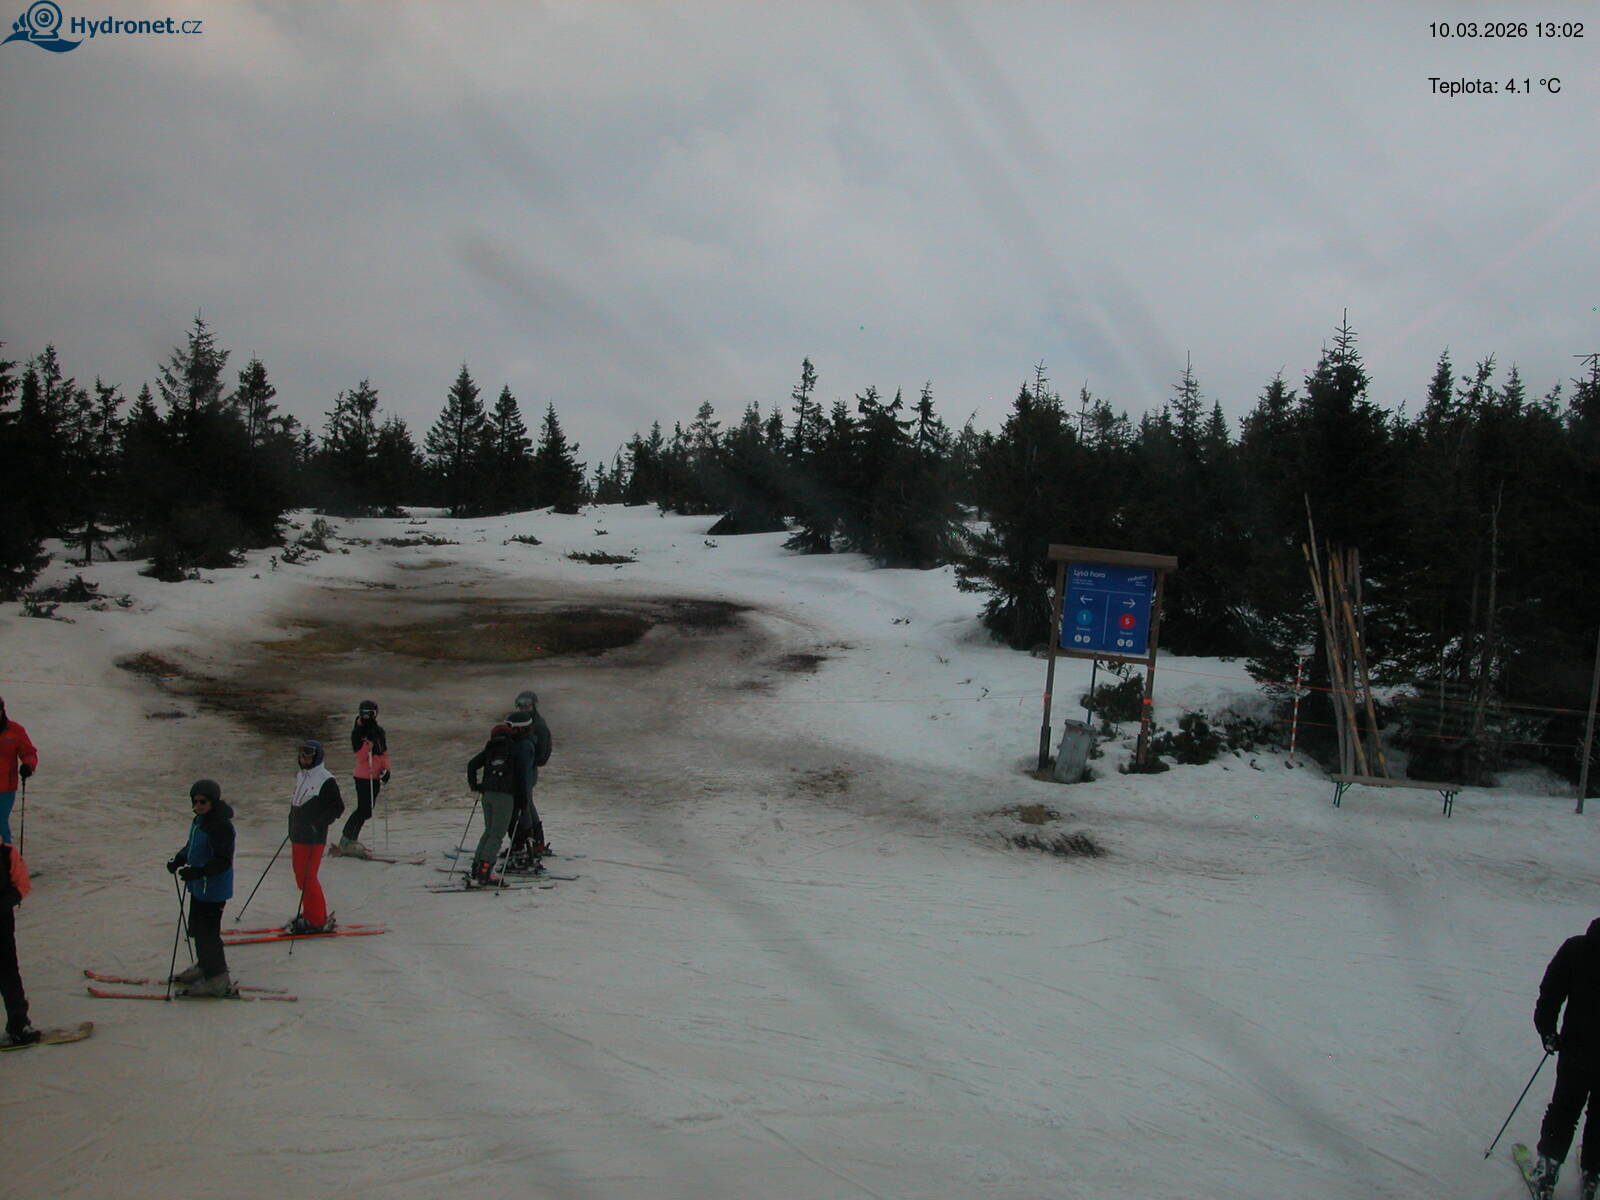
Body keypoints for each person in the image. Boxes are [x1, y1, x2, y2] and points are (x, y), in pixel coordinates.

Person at [1529, 918, 1600, 1200]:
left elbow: (1551, 992)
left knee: (1564, 1110)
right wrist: (1547, 1030)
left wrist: (1547, 1031)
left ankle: (1547, 1171)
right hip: (1578, 1049)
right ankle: (1592, 1173)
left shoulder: (1576, 948)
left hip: (1577, 1051)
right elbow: (1551, 992)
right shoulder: (1577, 949)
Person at [166, 779, 236, 998]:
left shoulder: (221, 826)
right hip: (199, 887)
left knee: (209, 934)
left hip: (213, 889)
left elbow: (223, 861)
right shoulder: (200, 820)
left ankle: (218, 978)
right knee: (197, 929)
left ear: (213, 801)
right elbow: (192, 846)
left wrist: (199, 872)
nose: (197, 806)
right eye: (194, 802)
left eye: (202, 802)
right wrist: (179, 859)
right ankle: (205, 966)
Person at [287, 740, 344, 934]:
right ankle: (310, 913)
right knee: (300, 877)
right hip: (298, 834)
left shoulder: (326, 780)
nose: (304, 758)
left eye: (308, 755)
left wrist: (317, 823)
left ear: (317, 756)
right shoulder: (301, 775)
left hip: (313, 837)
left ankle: (317, 920)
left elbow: (337, 807)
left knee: (308, 877)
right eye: (302, 755)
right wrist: (292, 824)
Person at [465, 721, 519, 886]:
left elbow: (472, 765)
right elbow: (520, 775)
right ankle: (486, 871)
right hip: (504, 796)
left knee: (489, 832)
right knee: (497, 834)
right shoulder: (512, 749)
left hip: (487, 795)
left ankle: (477, 866)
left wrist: (475, 786)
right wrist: (522, 797)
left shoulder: (490, 750)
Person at [505, 689, 553, 870]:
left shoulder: (538, 725)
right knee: (527, 804)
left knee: (524, 804)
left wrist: (527, 759)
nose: (523, 707)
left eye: (527, 704)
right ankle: (535, 842)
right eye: (520, 704)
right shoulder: (523, 721)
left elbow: (541, 754)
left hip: (527, 770)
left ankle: (529, 843)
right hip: (523, 769)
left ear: (534, 705)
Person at [337, 699, 391, 857]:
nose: (367, 716)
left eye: (370, 713)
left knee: (368, 811)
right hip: (363, 776)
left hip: (375, 775)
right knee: (363, 809)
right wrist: (367, 744)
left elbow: (383, 753)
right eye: (364, 713)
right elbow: (361, 756)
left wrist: (386, 769)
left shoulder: (379, 731)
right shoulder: (357, 732)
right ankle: (347, 839)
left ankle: (351, 839)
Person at [0, 840, 38, 1046]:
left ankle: (19, 1024)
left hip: (2, 923)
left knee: (8, 975)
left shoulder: (7, 853)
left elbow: (22, 885)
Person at [0, 695, 39, 847]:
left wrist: (28, 765)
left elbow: (28, 752)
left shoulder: (15, 730)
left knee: (0, 822)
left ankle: (6, 855)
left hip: (5, 788)